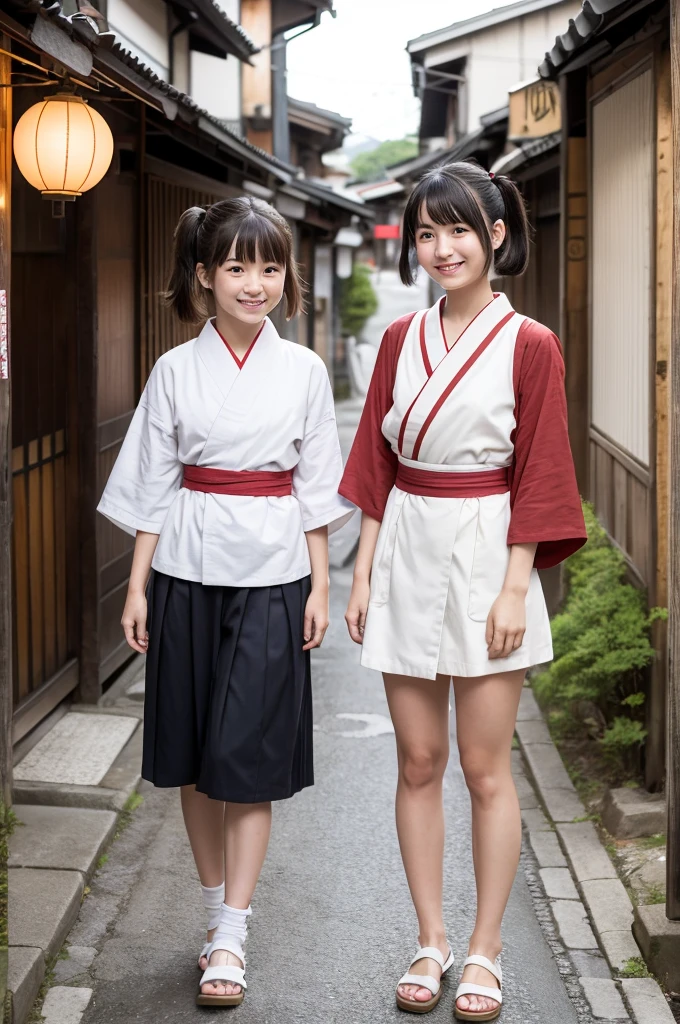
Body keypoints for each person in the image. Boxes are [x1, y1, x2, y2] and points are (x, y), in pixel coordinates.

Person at [339, 161, 586, 1021]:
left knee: (485, 768)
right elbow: (375, 459)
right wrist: (362, 570)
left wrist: (518, 587)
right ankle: (430, 937)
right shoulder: (401, 342)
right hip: (405, 540)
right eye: (426, 233)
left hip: (488, 549)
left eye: (457, 231)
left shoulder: (531, 344)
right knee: (417, 761)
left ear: (497, 237)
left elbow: (544, 472)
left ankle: (485, 949)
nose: (441, 249)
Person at [97, 196, 353, 1007]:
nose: (255, 283)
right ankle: (214, 913)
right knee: (192, 761)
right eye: (237, 267)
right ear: (203, 276)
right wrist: (137, 586)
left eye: (270, 267)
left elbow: (317, 490)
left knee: (246, 763)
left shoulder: (305, 370)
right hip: (186, 570)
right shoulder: (175, 370)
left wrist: (322, 585)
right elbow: (152, 483)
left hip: (276, 575)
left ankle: (233, 934)